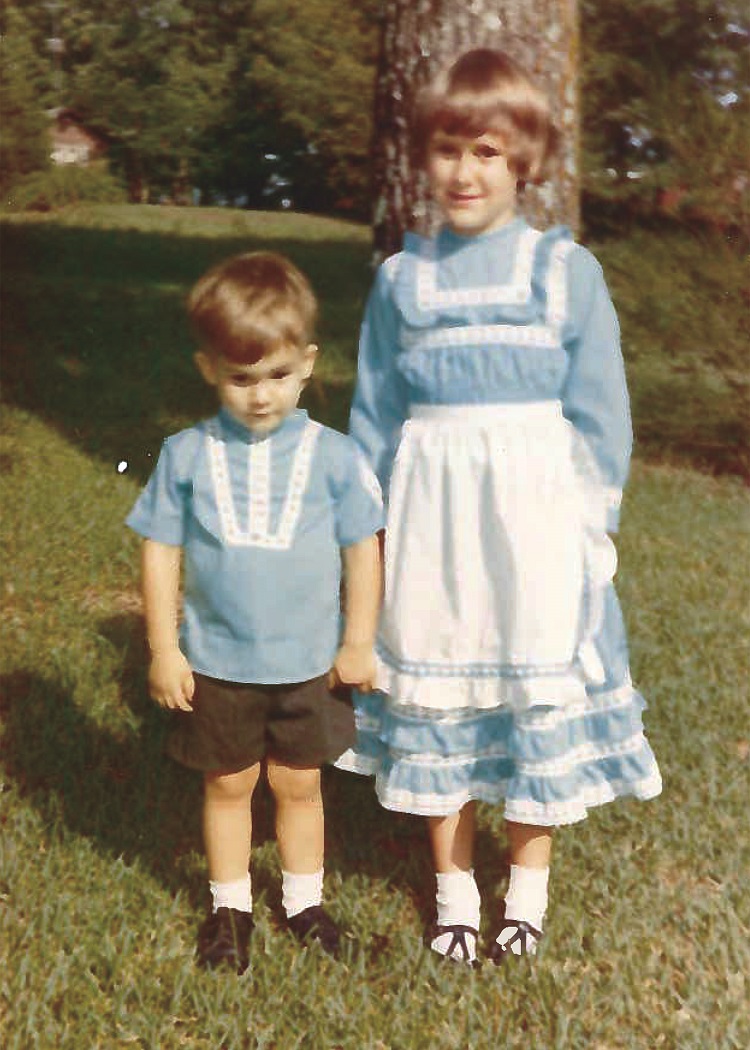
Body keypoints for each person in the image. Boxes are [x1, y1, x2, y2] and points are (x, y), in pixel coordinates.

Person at [336, 48, 662, 966]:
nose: (465, 171)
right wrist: (370, 535)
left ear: (525, 158)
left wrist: (590, 528)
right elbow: (373, 414)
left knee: (529, 690)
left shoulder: (565, 274)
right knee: (442, 685)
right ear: (422, 158)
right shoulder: (404, 280)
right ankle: (451, 889)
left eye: (487, 150)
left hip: (533, 520)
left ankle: (525, 884)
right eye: (447, 149)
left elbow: (602, 413)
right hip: (434, 517)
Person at [127, 251, 383, 974]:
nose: (261, 395)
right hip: (218, 661)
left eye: (276, 375)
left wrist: (358, 639)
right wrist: (164, 648)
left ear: (305, 365)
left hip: (308, 661)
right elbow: (159, 552)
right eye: (242, 378)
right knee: (229, 782)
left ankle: (304, 901)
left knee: (300, 784)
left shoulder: (333, 457)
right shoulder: (184, 455)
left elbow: (363, 547)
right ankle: (229, 907)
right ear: (210, 368)